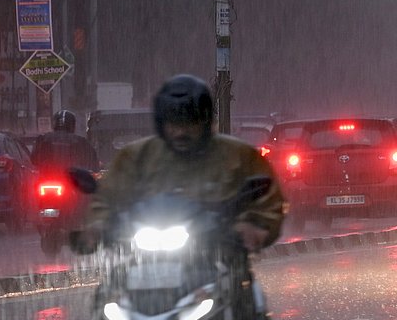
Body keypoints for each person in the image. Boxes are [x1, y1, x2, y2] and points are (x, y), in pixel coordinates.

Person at [78, 74, 285, 255]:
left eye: (189, 123)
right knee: (109, 295)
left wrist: (253, 225)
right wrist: (98, 226)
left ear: (204, 122)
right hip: (143, 260)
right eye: (173, 123)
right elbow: (107, 196)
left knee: (248, 295)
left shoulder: (239, 155)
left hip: (218, 255)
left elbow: (269, 201)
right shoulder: (136, 156)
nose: (180, 131)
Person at [30, 110, 100, 174]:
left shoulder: (43, 139)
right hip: (73, 179)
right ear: (72, 125)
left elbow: (33, 159)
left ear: (54, 123)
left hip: (47, 176)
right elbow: (93, 162)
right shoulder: (82, 141)